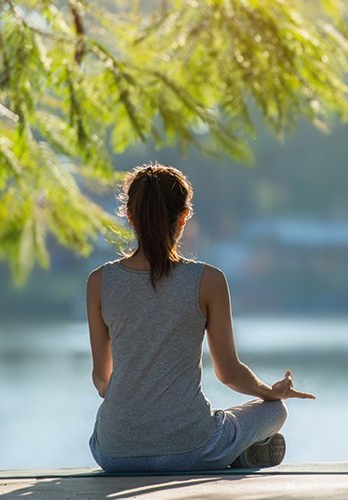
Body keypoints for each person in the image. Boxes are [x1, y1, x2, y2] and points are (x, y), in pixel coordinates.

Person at [87, 163, 316, 472]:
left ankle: (230, 453)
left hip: (114, 455)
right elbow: (229, 373)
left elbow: (103, 380)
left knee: (108, 424)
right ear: (184, 218)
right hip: (191, 449)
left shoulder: (100, 281)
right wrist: (271, 392)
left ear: (129, 216)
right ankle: (234, 453)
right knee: (276, 412)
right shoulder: (208, 280)